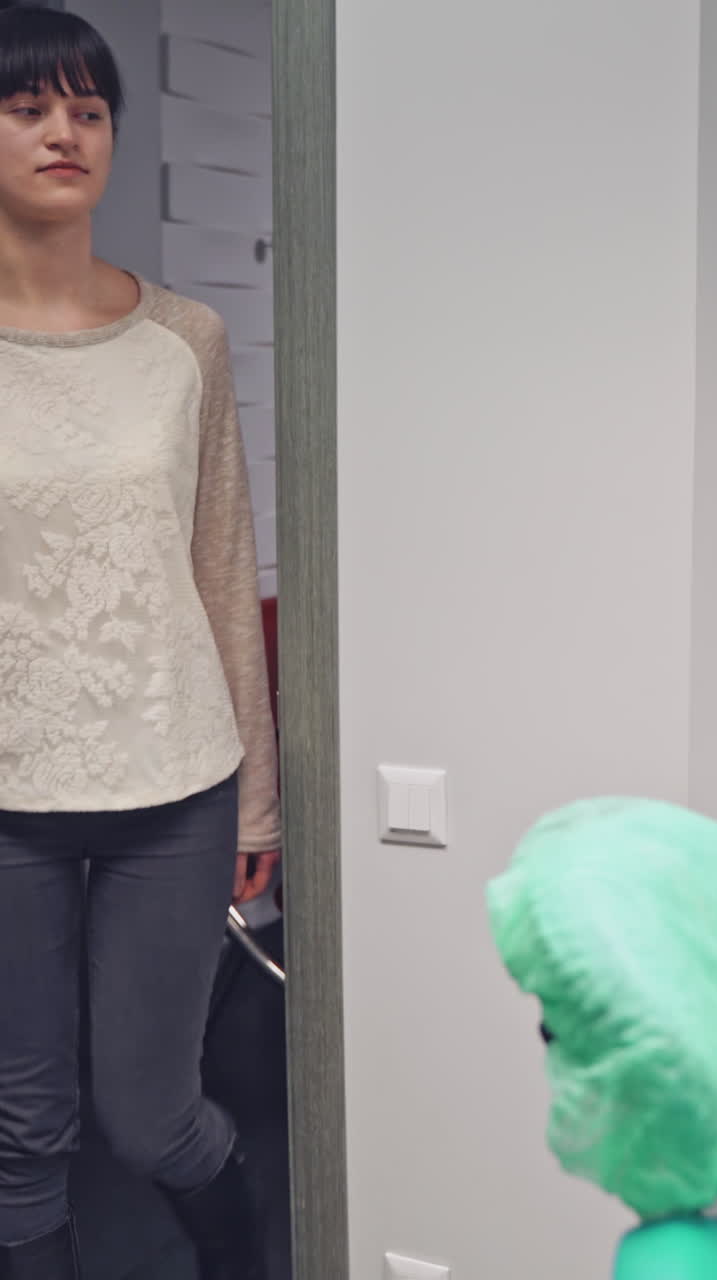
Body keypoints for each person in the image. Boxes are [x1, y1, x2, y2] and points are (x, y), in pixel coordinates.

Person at [0, 7, 280, 1277]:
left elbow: (220, 567)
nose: (64, 132)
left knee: (151, 1111)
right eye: (27, 108)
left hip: (173, 784)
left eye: (88, 109)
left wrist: (256, 798)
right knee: (25, 1126)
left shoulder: (185, 341)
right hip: (8, 795)